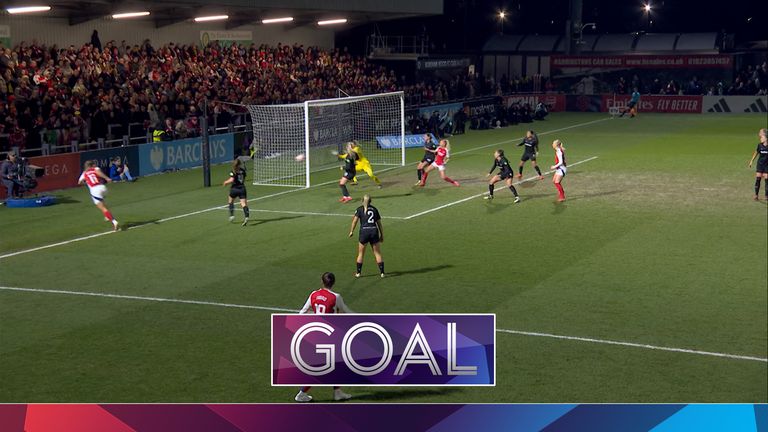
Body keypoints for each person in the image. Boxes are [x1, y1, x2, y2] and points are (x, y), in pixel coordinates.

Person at [295, 272, 353, 403]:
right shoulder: (335, 297)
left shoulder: (313, 294)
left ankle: (337, 392)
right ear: (333, 283)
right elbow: (346, 311)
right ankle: (302, 393)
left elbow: (302, 313)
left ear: (322, 282)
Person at [348, 195, 385, 278]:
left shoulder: (359, 209)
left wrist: (351, 231)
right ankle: (382, 273)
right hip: (374, 231)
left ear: (362, 201)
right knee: (377, 253)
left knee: (361, 253)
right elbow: (379, 223)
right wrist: (382, 235)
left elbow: (354, 221)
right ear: (370, 201)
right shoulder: (374, 209)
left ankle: (358, 273)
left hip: (364, 232)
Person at [78, 160, 119, 231]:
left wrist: (86, 182)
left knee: (102, 208)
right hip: (103, 187)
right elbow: (99, 173)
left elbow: (79, 182)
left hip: (95, 190)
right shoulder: (95, 169)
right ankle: (107, 215)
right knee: (102, 202)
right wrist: (106, 178)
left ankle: (114, 222)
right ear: (92, 165)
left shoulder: (84, 173)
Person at [222, 158, 250, 226]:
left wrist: (225, 182)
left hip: (234, 189)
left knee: (230, 201)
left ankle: (232, 215)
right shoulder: (243, 170)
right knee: (243, 203)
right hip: (242, 189)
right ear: (239, 164)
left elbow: (231, 179)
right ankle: (246, 216)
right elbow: (243, 178)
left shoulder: (233, 171)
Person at [748, 128, 768, 201]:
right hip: (760, 165)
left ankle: (766, 196)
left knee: (766, 180)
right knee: (758, 179)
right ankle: (756, 195)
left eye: (762, 137)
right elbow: (756, 153)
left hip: (767, 166)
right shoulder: (760, 145)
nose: (760, 138)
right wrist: (751, 161)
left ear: (766, 138)